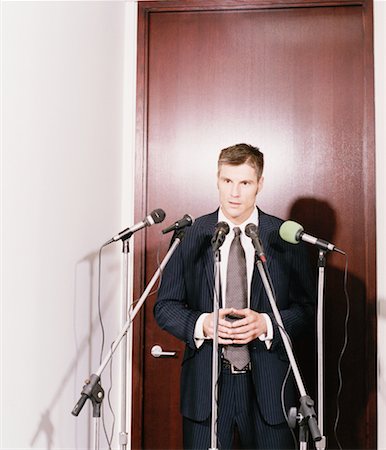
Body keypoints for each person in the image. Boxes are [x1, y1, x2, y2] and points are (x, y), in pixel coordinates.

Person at [154, 143, 315, 449]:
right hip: (206, 386)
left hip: (269, 388)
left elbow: (306, 309)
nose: (234, 193)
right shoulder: (192, 235)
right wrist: (202, 324)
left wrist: (267, 324)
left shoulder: (283, 237)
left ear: (260, 184)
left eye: (245, 183)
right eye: (227, 181)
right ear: (217, 179)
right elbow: (165, 307)